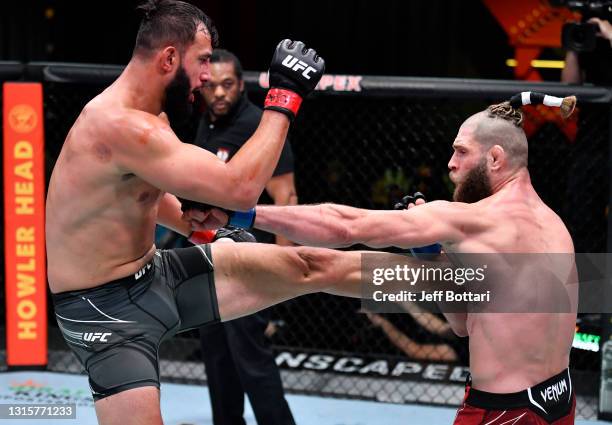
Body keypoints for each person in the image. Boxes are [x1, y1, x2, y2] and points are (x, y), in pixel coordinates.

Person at [41, 0, 368, 423]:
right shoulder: (119, 125)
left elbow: (143, 197)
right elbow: (241, 190)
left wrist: (200, 230)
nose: (207, 76)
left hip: (156, 277)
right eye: (203, 61)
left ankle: (456, 281)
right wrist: (284, 98)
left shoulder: (151, 117)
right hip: (103, 312)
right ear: (169, 58)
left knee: (311, 264)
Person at [188, 93, 579, 424]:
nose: (450, 163)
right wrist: (429, 257)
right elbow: (466, 324)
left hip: (503, 412)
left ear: (495, 159)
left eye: (461, 151)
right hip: (558, 401)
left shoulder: (473, 218)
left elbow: (345, 225)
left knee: (323, 265)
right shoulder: (554, 225)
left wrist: (244, 213)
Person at [194, 49, 296, 425]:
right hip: (206, 258)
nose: (218, 93)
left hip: (247, 264)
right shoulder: (206, 123)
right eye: (211, 86)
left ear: (241, 85)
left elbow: (285, 197)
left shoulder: (259, 126)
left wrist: (283, 271)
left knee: (251, 359)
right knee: (217, 359)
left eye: (227, 85)